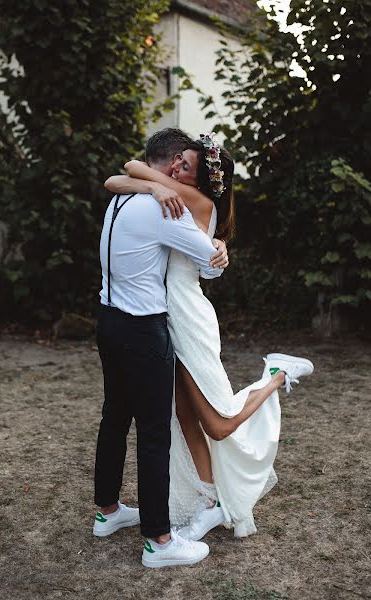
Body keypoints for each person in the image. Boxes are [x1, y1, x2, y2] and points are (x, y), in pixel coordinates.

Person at [105, 129, 314, 541]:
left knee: (216, 424)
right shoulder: (174, 196)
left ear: (202, 181)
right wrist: (152, 184)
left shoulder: (195, 200)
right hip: (164, 318)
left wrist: (149, 181)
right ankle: (210, 502)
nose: (177, 168)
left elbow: (129, 168)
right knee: (183, 418)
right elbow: (118, 180)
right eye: (178, 160)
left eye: (186, 166)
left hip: (188, 317)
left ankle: (276, 374)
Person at [93, 128, 231, 569]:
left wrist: (148, 182)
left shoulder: (121, 198)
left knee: (114, 417)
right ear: (172, 164)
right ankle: (159, 540)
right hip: (142, 329)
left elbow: (118, 178)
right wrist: (218, 249)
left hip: (108, 321)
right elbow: (208, 261)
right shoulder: (163, 208)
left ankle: (108, 513)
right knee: (154, 433)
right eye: (182, 164)